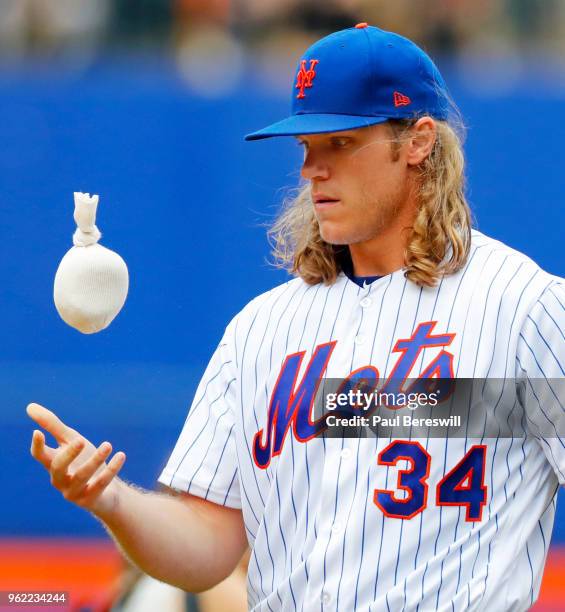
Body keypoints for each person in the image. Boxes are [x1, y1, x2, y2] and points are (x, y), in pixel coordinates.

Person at [28, 23, 564, 611]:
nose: (313, 169)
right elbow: (208, 547)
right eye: (307, 146)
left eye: (340, 142)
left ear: (417, 141)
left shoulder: (522, 306)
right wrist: (111, 499)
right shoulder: (261, 330)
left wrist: (411, 405)